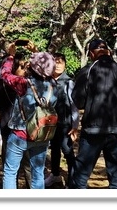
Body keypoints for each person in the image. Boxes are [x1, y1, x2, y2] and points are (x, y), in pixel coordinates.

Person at [70, 38, 117, 189]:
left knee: (80, 176)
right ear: (108, 52)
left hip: (93, 130)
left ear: (91, 54)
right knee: (116, 177)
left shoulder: (88, 71)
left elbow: (78, 100)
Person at [0, 50, 58, 189]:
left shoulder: (23, 84)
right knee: (38, 172)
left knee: (10, 172)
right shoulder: (53, 85)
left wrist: (10, 56)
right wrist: (35, 51)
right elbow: (45, 65)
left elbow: (4, 74)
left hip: (21, 135)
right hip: (42, 135)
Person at [45, 51, 78, 188]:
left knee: (68, 152)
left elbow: (74, 106)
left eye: (61, 63)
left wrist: (75, 125)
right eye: (55, 62)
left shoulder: (69, 82)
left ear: (65, 65)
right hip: (50, 124)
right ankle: (55, 175)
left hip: (65, 125)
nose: (58, 65)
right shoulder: (47, 81)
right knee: (54, 150)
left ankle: (73, 181)